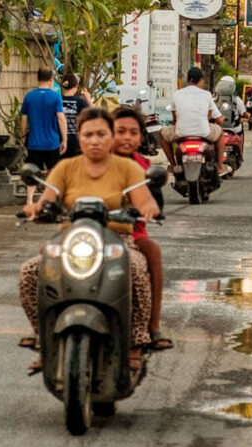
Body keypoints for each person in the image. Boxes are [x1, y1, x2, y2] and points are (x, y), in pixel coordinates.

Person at [19, 109, 158, 373]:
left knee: (138, 269)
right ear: (79, 138)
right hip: (70, 241)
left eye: (101, 134)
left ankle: (136, 343)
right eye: (88, 135)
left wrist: (148, 208)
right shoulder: (65, 168)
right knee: (29, 272)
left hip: (117, 241)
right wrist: (34, 210)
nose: (95, 141)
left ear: (110, 138)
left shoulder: (128, 168)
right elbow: (45, 202)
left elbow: (144, 200)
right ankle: (44, 338)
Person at [112, 106, 173, 351]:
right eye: (120, 131)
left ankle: (152, 327)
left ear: (141, 137)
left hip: (131, 234)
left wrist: (148, 209)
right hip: (88, 234)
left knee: (152, 253)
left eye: (133, 132)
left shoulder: (144, 167)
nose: (127, 137)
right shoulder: (91, 160)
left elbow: (156, 203)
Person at [159, 67, 227, 175]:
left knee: (162, 134)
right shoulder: (206, 94)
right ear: (201, 80)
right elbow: (211, 118)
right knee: (221, 133)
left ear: (188, 80)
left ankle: (172, 165)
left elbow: (175, 119)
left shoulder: (176, 94)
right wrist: (220, 120)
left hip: (181, 133)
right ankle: (220, 166)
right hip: (204, 133)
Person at [19, 67, 67, 209]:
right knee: (53, 171)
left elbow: (23, 118)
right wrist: (64, 139)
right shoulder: (55, 97)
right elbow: (61, 119)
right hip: (52, 142)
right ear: (51, 79)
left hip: (34, 142)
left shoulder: (29, 96)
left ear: (37, 78)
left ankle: (29, 200)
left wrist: (22, 136)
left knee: (33, 171)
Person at [59, 73, 91, 159]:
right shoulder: (80, 102)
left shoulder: (57, 100)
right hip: (75, 141)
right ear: (76, 86)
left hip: (58, 141)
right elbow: (93, 115)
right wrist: (88, 99)